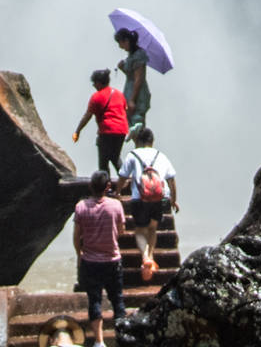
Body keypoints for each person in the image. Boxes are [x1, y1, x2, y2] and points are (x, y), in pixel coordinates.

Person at [117, 125, 179, 283]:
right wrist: (173, 199)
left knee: (139, 230)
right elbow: (171, 179)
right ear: (152, 141)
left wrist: (117, 192)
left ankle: (145, 257)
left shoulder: (133, 155)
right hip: (158, 198)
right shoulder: (161, 155)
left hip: (140, 198)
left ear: (137, 140)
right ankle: (150, 256)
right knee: (153, 228)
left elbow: (123, 176)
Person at [70, 172, 126, 345]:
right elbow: (122, 231)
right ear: (108, 187)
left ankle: (99, 341)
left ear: (90, 186)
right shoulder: (116, 206)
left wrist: (79, 254)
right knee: (117, 300)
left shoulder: (81, 207)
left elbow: (76, 236)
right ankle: (123, 338)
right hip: (112, 260)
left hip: (91, 261)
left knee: (94, 300)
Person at [76, 67, 129, 173]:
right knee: (114, 156)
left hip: (107, 130)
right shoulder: (119, 94)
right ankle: (126, 180)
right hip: (122, 130)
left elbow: (87, 116)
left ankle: (104, 185)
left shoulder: (97, 97)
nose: (93, 85)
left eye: (94, 83)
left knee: (103, 161)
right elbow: (125, 110)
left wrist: (78, 131)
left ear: (99, 83)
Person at [115, 27, 153, 128]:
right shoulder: (131, 56)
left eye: (120, 43)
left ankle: (142, 142)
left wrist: (132, 100)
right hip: (129, 90)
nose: (120, 46)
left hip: (137, 94)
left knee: (137, 122)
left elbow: (138, 78)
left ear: (126, 41)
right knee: (130, 123)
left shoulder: (138, 55)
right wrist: (123, 68)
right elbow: (131, 75)